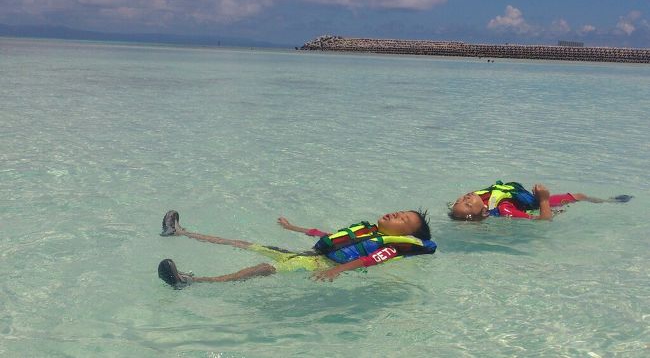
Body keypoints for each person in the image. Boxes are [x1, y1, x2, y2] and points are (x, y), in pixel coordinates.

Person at [157, 209, 436, 288]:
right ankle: (180, 232)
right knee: (244, 243)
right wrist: (294, 229)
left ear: (406, 234)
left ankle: (190, 281)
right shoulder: (370, 232)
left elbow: (372, 260)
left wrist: (337, 270)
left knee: (265, 268)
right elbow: (329, 236)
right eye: (398, 211)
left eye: (403, 219)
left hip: (320, 265)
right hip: (313, 255)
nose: (395, 214)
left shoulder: (394, 248)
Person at [449, 180, 633, 221]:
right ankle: (611, 202)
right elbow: (545, 222)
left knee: (580, 196)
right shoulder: (505, 210)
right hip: (538, 206)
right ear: (483, 211)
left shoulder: (482, 201)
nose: (465, 198)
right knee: (579, 197)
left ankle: (608, 201)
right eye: (467, 204)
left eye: (459, 201)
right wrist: (544, 200)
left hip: (524, 202)